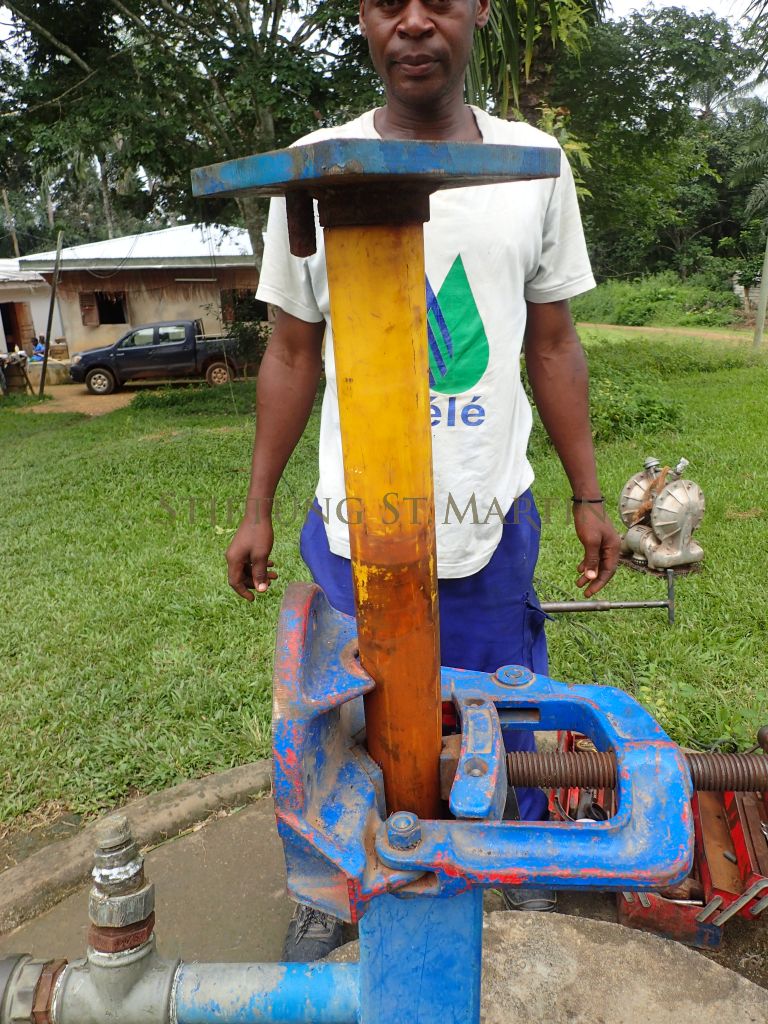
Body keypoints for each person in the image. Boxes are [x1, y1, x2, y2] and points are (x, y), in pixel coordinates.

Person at [226, 0, 621, 960]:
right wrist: (256, 507)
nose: (413, 23)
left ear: (478, 8)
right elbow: (290, 352)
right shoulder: (314, 166)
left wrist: (589, 494)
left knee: (499, 709)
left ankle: (513, 870)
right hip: (356, 523)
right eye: (387, 3)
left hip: (488, 518)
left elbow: (554, 343)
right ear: (362, 17)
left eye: (438, 1)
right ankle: (334, 880)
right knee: (341, 719)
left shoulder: (534, 164)